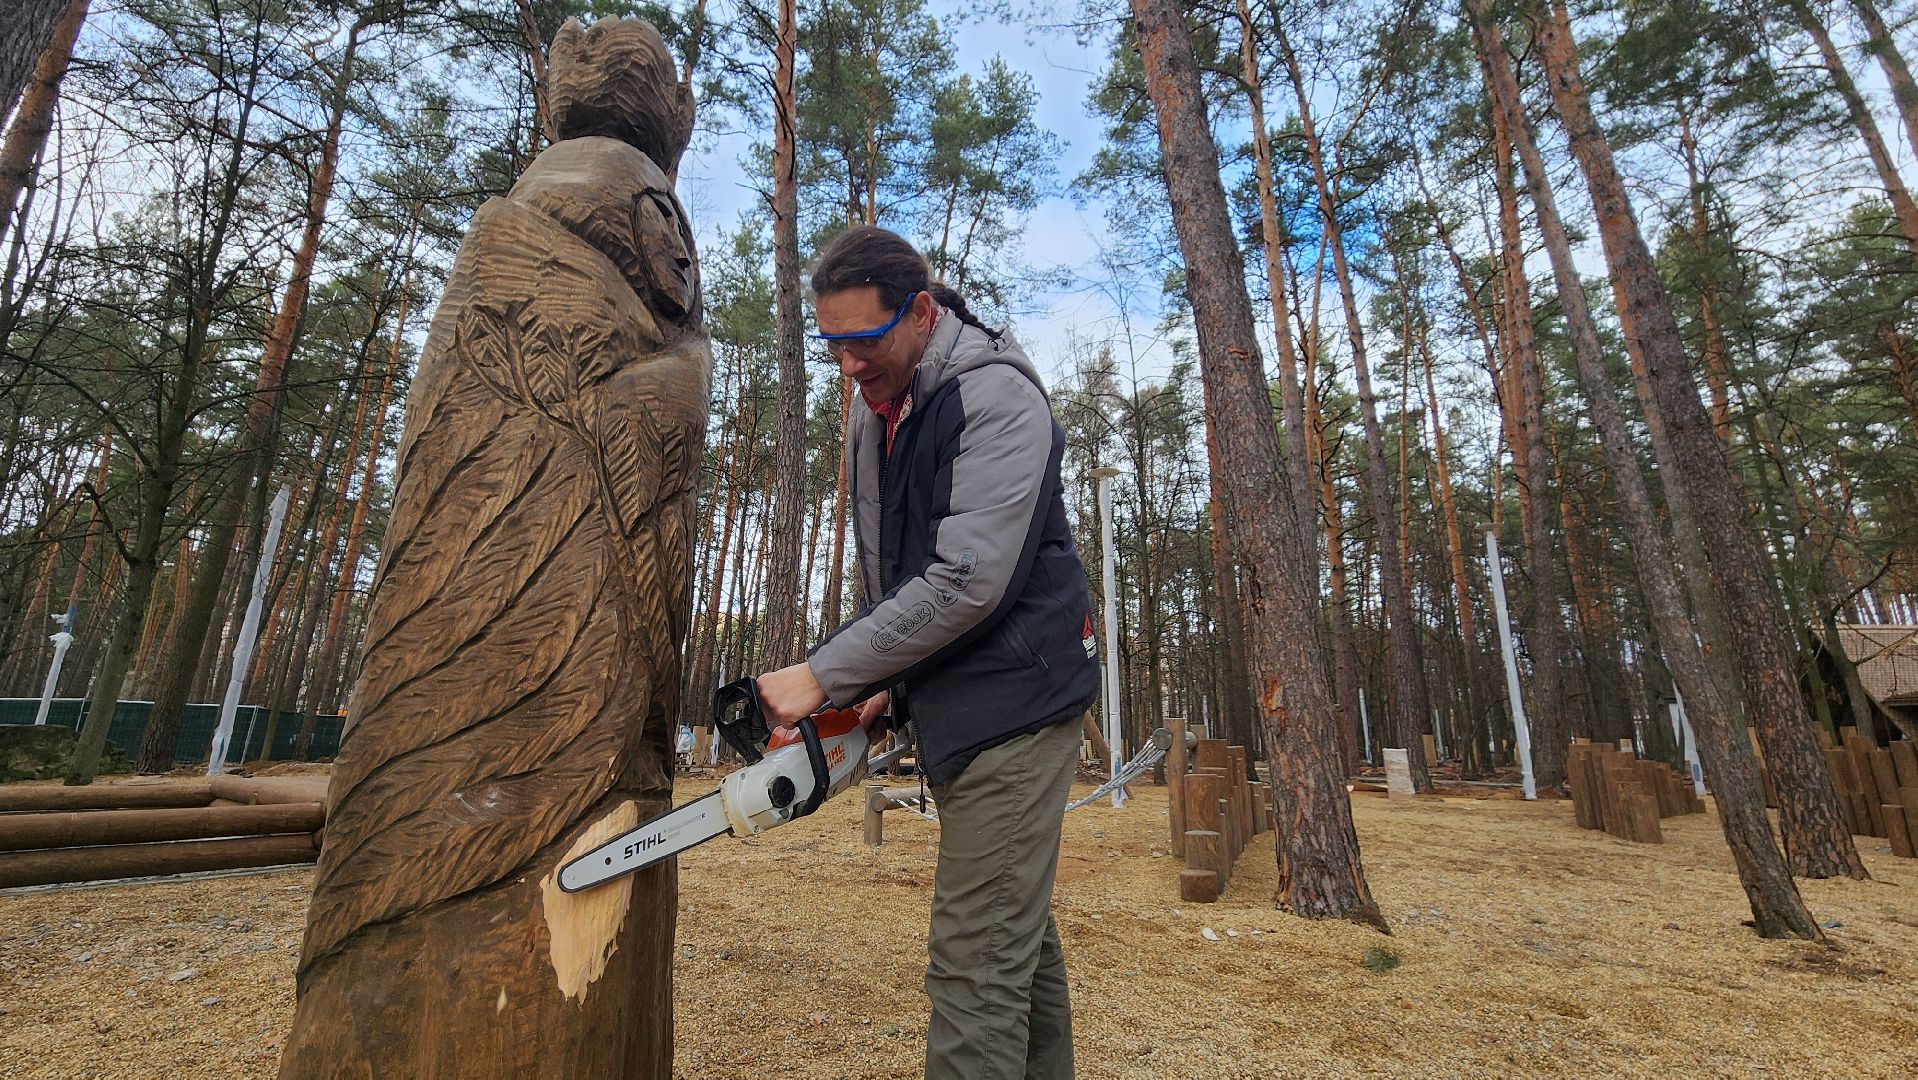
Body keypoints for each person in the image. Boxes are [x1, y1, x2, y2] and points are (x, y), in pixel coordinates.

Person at [753, 225, 1101, 1080]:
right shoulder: (876, 415)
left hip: (1018, 702)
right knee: (1015, 944)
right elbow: (896, 578)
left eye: (863, 342)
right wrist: (882, 688)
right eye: (832, 346)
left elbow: (965, 580)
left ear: (919, 313)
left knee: (976, 970)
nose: (848, 366)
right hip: (959, 703)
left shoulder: (995, 396)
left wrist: (824, 673)